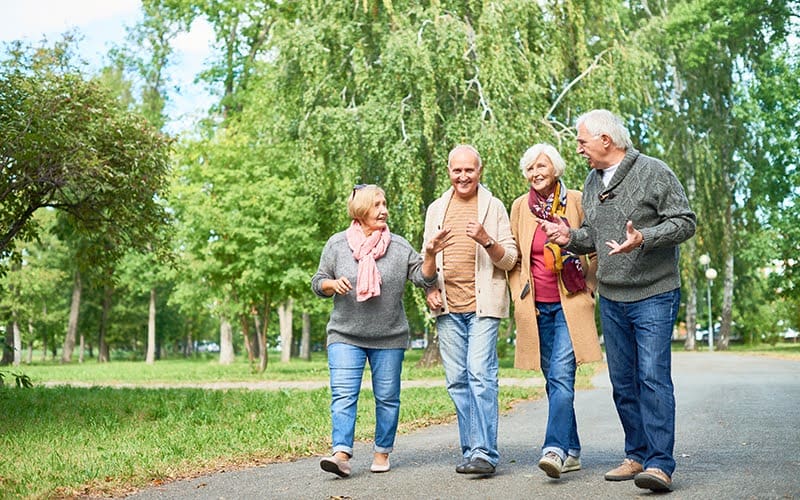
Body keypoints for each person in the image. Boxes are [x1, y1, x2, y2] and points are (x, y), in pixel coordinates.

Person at [538, 109, 696, 492]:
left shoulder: (654, 172)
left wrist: (644, 237)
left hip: (654, 293)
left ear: (605, 141)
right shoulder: (592, 181)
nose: (578, 149)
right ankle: (637, 454)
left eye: (582, 141)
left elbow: (685, 222)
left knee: (652, 378)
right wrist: (569, 238)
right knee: (623, 382)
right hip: (612, 296)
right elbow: (594, 234)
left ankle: (660, 464)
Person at [311, 184, 450, 478]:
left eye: (384, 203)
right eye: (376, 205)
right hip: (345, 335)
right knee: (344, 395)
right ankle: (341, 454)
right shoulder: (337, 245)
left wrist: (429, 254)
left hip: (389, 337)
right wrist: (332, 285)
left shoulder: (398, 247)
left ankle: (382, 451)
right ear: (361, 210)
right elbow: (318, 281)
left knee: (387, 396)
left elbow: (424, 279)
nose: (384, 210)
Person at [507, 143, 602, 479]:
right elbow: (515, 255)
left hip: (570, 302)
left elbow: (595, 243)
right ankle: (573, 448)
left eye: (541, 166)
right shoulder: (521, 207)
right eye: (530, 168)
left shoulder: (575, 200)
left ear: (556, 168)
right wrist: (517, 294)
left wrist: (590, 284)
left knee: (561, 375)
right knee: (553, 380)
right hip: (536, 307)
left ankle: (555, 449)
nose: (535, 173)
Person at [422, 145, 518, 475]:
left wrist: (486, 240)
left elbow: (510, 260)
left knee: (480, 373)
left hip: (483, 305)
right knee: (457, 381)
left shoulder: (493, 207)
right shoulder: (436, 209)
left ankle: (485, 453)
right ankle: (471, 450)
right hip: (448, 307)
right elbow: (426, 269)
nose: (463, 176)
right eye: (456, 170)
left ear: (480, 171)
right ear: (449, 171)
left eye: (469, 170)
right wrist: (430, 277)